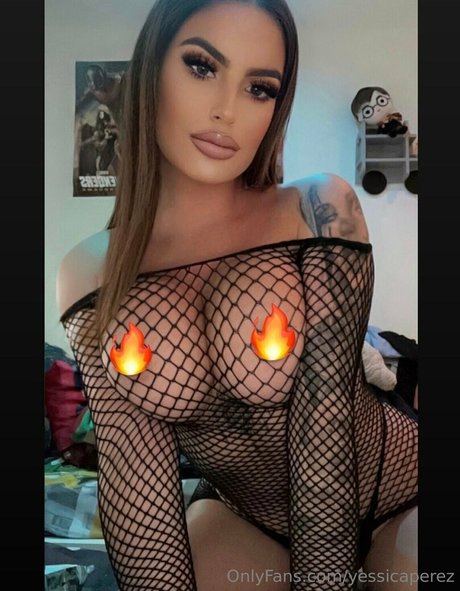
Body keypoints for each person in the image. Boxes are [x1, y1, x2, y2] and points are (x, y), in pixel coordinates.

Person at [57, 1, 418, 590]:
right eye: (202, 67)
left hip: (396, 488)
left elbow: (325, 433)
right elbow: (130, 468)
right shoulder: (89, 270)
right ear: (151, 71)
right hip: (246, 518)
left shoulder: (317, 208)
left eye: (259, 88)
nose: (227, 109)